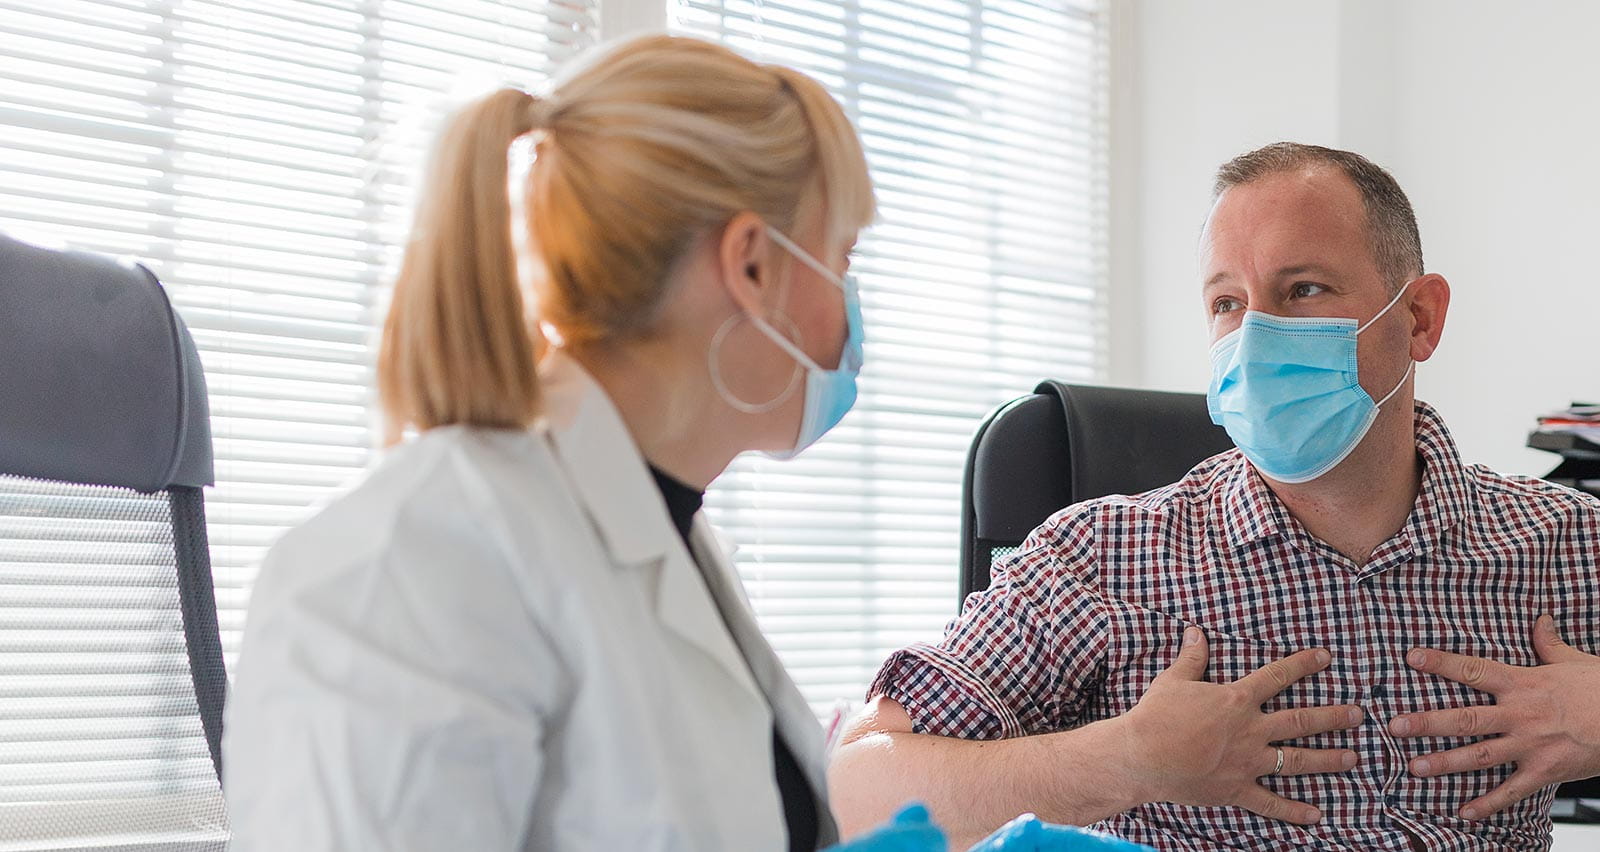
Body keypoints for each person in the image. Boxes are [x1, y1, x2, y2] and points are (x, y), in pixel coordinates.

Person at [221, 33, 1155, 851]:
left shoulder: (669, 537)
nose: (853, 310)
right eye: (842, 257)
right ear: (751, 265)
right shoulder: (404, 569)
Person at [829, 142, 1600, 851]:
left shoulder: (1567, 543)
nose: (1256, 336)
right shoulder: (1100, 559)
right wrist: (1124, 761)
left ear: (1419, 317)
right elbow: (856, 788)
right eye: (1228, 304)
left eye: (1303, 289)